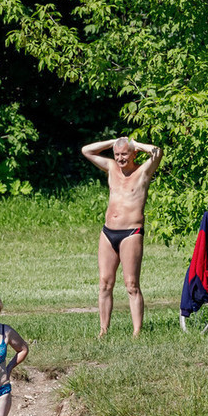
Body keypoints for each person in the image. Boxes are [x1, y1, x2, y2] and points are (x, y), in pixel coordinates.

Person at [81, 135, 163, 336]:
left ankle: (137, 332)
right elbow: (86, 150)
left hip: (131, 233)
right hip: (108, 232)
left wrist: (136, 144)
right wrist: (113, 143)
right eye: (117, 154)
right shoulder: (111, 168)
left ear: (134, 154)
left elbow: (158, 152)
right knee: (105, 282)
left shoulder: (143, 172)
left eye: (124, 154)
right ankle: (103, 330)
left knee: (131, 284)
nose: (120, 158)